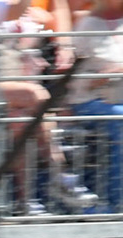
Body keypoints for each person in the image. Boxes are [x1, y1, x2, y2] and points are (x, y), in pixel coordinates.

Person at [69, 0, 123, 211]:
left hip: (116, 101)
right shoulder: (88, 25)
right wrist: (114, 73)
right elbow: (88, 79)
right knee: (121, 122)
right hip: (88, 101)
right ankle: (114, 203)